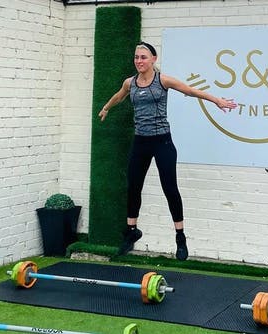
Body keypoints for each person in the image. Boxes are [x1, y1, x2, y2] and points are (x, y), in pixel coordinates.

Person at [98, 42, 237, 261]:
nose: (139, 61)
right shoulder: (130, 83)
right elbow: (119, 95)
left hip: (162, 141)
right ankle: (132, 231)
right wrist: (106, 107)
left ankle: (180, 237)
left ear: (153, 59)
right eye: (136, 57)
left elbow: (190, 91)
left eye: (143, 57)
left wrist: (217, 100)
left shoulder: (163, 80)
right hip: (140, 141)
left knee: (170, 188)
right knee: (133, 186)